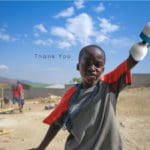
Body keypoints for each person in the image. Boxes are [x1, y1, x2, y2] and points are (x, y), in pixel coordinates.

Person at [30, 42, 148, 150]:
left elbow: (131, 61)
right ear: (78, 66)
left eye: (97, 65)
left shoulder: (109, 86)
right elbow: (56, 123)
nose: (92, 68)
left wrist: (143, 44)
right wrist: (41, 148)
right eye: (87, 63)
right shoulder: (71, 94)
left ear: (103, 69)